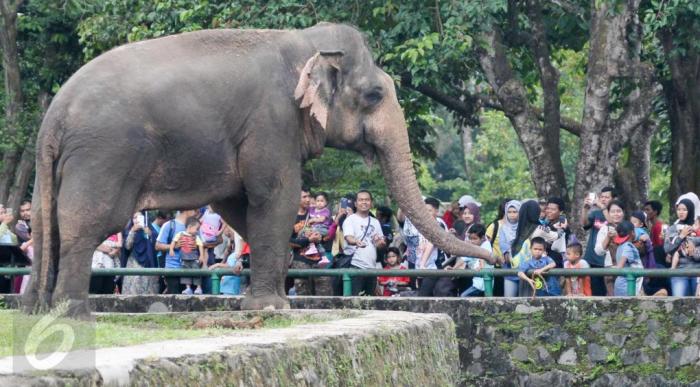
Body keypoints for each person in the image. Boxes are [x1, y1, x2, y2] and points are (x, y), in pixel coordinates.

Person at [290, 188, 332, 296]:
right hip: (300, 260)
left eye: (309, 196)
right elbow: (288, 242)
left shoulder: (315, 213)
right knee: (303, 295)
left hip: (319, 259)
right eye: (304, 197)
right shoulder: (290, 218)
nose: (308, 200)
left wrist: (320, 237)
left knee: (325, 292)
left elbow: (328, 234)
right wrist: (308, 240)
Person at [343, 190, 386, 296]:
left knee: (369, 300)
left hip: (371, 267)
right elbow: (349, 238)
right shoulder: (350, 220)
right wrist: (356, 241)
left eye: (367, 200)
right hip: (355, 265)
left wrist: (381, 243)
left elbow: (379, 244)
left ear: (371, 203)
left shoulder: (375, 222)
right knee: (354, 299)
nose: (364, 202)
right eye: (361, 200)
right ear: (355, 203)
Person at [582, 186, 616, 296]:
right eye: (602, 197)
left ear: (613, 199)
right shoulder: (596, 214)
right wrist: (585, 208)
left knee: (609, 293)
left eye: (607, 197)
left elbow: (612, 224)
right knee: (594, 293)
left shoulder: (616, 213)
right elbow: (584, 224)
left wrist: (603, 208)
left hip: (607, 261)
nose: (603, 199)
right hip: (591, 258)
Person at [156, 209, 198, 294]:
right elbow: (157, 246)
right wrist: (174, 246)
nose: (197, 212)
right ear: (187, 210)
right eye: (195, 210)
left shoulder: (195, 225)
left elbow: (201, 243)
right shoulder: (169, 225)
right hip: (173, 269)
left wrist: (195, 245)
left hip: (190, 268)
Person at [505, 200, 541, 297]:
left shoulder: (520, 228)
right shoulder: (540, 229)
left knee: (511, 303)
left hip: (516, 270)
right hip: (530, 271)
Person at [121, 211, 159, 295]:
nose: (137, 220)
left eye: (139, 217)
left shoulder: (150, 230)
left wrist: (150, 234)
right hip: (133, 265)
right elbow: (127, 246)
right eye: (134, 217)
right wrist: (132, 231)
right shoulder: (128, 230)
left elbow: (157, 246)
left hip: (148, 264)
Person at [665, 198, 698, 296]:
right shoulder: (672, 229)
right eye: (679, 209)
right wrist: (681, 236)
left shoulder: (697, 227)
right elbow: (667, 249)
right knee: (678, 303)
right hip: (679, 271)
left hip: (697, 272)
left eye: (684, 209)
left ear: (691, 210)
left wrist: (693, 245)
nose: (681, 212)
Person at [594, 200, 626, 296]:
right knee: (612, 297)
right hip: (610, 269)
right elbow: (598, 251)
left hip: (627, 269)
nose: (616, 214)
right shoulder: (604, 229)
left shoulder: (629, 227)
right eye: (613, 212)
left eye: (619, 211)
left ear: (623, 213)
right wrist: (608, 237)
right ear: (608, 213)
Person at [170, 216, 206, 295]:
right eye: (196, 229)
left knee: (197, 273)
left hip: (194, 258)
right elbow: (174, 241)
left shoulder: (196, 237)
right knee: (185, 273)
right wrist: (171, 249)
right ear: (190, 227)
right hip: (184, 259)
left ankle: (198, 288)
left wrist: (201, 256)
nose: (197, 231)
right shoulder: (180, 234)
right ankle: (188, 288)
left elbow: (200, 245)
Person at [459, 224, 493, 297]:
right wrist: (454, 268)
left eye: (475, 239)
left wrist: (481, 266)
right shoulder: (475, 246)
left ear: (483, 238)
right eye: (470, 239)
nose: (472, 241)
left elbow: (483, 256)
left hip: (482, 284)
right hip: (477, 283)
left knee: (463, 296)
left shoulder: (486, 245)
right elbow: (464, 258)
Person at [612, 221, 644, 296]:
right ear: (632, 232)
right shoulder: (628, 246)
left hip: (621, 283)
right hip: (627, 285)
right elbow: (620, 266)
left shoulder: (620, 246)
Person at [541, 197, 570, 268]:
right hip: (545, 261)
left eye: (553, 209)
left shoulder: (562, 223)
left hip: (555, 262)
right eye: (548, 208)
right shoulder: (547, 222)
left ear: (560, 212)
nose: (549, 211)